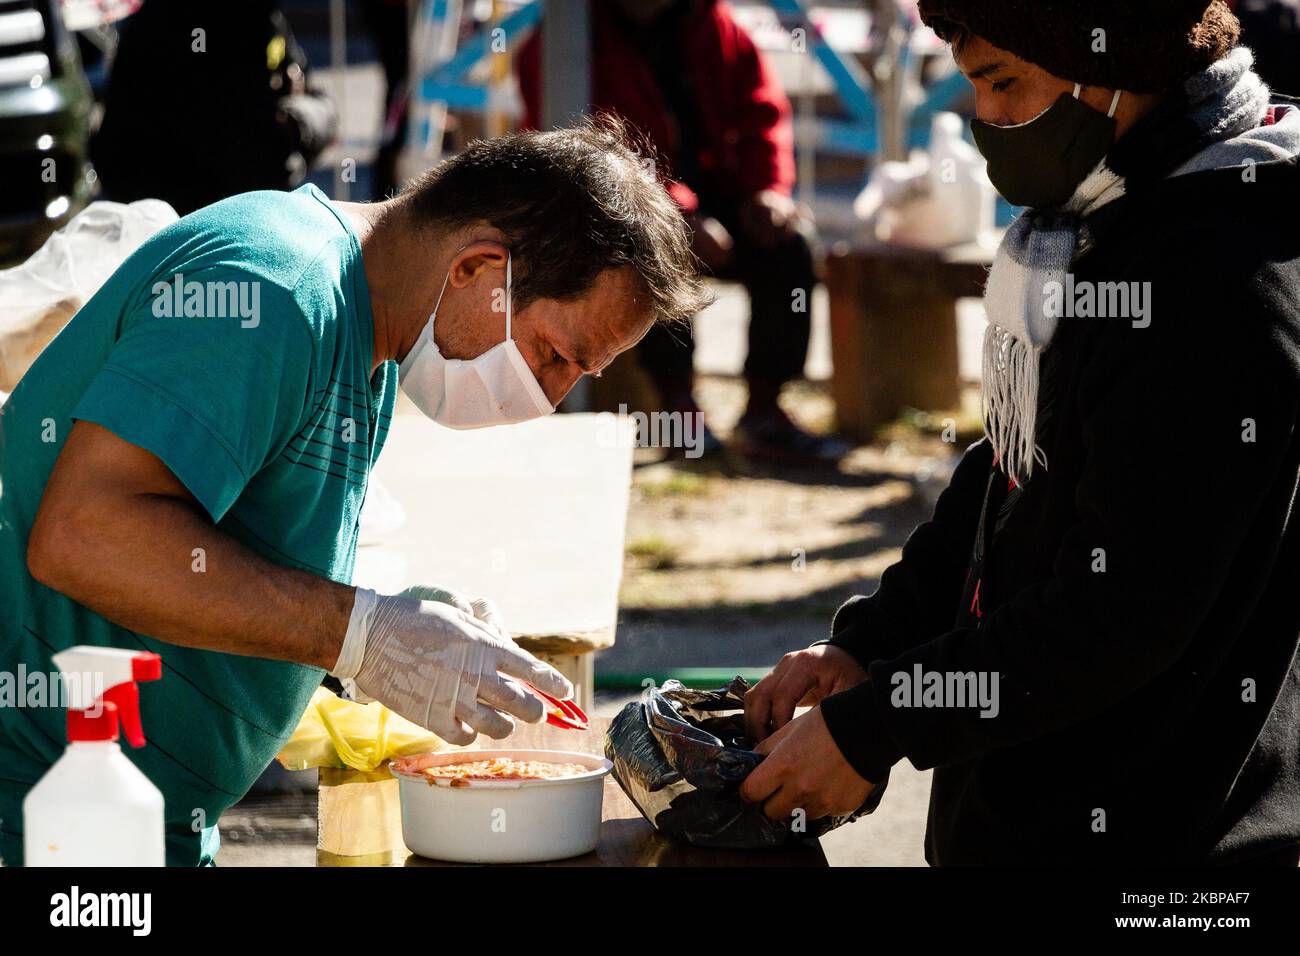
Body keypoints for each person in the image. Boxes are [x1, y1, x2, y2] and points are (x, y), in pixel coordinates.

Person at [0, 119, 709, 866]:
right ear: (477, 268)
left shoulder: (366, 334)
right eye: (555, 355)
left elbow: (222, 540)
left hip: (140, 819)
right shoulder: (271, 288)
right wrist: (363, 633)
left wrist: (394, 616)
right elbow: (85, 533)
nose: (551, 394)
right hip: (44, 815)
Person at [742, 0, 1300, 865]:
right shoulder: (1102, 219)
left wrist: (880, 724)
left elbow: (1122, 611)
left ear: (1112, 61)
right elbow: (1010, 474)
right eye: (972, 86)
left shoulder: (1221, 275)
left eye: (1004, 83)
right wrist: (870, 644)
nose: (986, 120)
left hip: (1167, 844)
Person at [517, 0, 849, 462]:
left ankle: (764, 412)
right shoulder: (566, 42)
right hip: (616, 202)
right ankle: (678, 410)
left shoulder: (713, 24)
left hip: (718, 192)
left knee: (788, 247)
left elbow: (761, 113)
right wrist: (677, 215)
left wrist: (767, 190)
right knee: (647, 252)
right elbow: (591, 154)